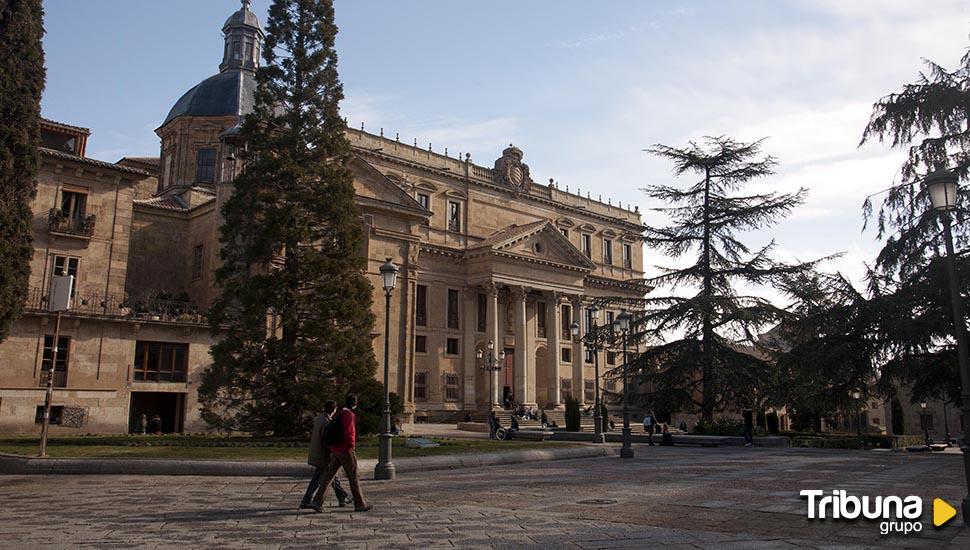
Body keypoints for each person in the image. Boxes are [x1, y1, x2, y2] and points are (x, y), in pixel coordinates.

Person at [312, 393, 373, 512]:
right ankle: (360, 504)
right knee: (354, 476)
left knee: (329, 476)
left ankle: (317, 502)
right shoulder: (349, 414)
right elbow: (350, 433)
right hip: (345, 450)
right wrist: (351, 447)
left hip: (336, 450)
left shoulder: (339, 413)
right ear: (355, 403)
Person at [300, 400, 352, 511]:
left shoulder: (320, 418)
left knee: (331, 477)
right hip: (323, 455)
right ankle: (307, 500)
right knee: (320, 479)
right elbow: (327, 440)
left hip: (317, 452)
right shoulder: (326, 422)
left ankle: (342, 497)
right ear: (333, 409)